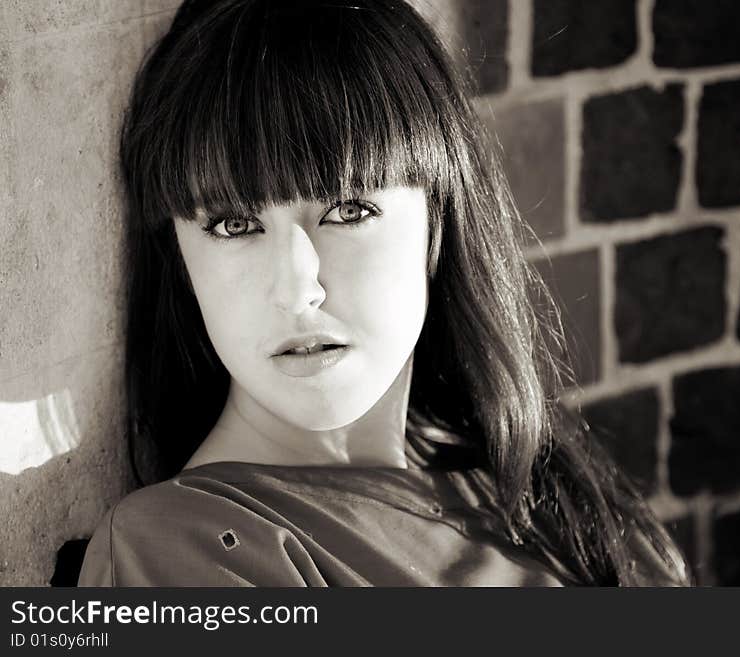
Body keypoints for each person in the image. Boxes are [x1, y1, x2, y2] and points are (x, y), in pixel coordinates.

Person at [78, 0, 690, 587]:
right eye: (234, 226)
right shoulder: (183, 550)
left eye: (348, 210)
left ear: (438, 217)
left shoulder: (523, 475)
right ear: (181, 256)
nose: (296, 292)